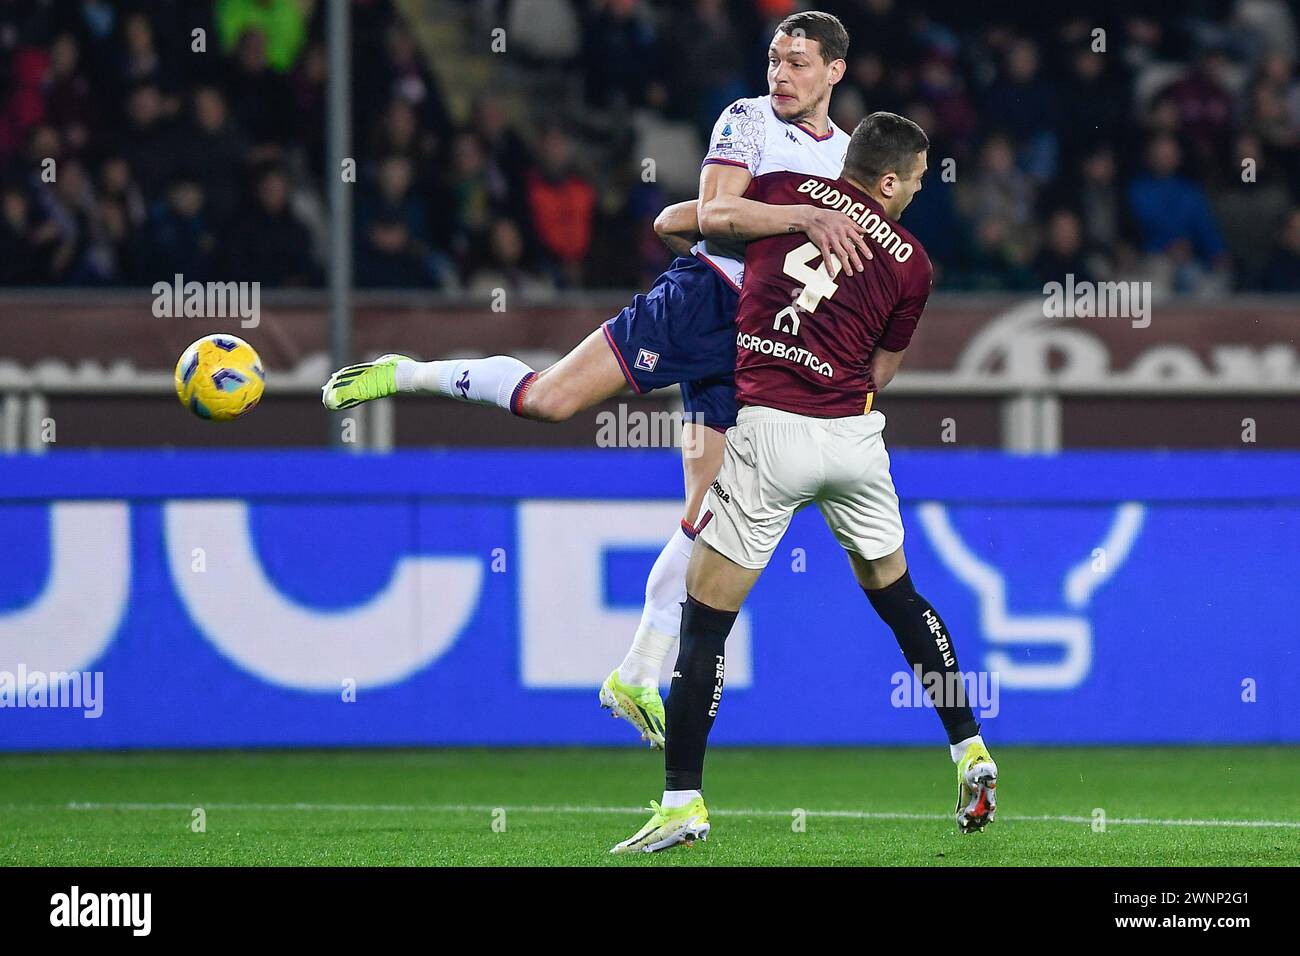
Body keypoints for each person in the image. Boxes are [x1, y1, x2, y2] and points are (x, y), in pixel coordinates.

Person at [320, 11, 871, 748]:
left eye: (799, 63)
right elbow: (711, 211)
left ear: (835, 71)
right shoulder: (746, 119)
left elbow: (708, 221)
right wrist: (793, 217)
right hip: (700, 301)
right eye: (775, 59)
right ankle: (408, 373)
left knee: (711, 515)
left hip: (764, 342)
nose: (781, 75)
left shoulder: (850, 160)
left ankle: (636, 673)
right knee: (548, 401)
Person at [611, 112, 998, 854]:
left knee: (705, 619)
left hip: (771, 432)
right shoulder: (913, 262)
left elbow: (670, 222)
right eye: (917, 180)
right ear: (889, 181)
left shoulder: (782, 194)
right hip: (855, 441)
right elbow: (882, 373)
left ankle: (682, 801)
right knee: (899, 597)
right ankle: (969, 748)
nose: (918, 190)